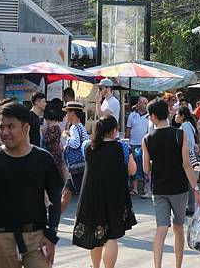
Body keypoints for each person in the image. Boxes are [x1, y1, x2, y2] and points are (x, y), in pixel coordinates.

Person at [0, 103, 63, 268]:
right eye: (1, 127)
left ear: (26, 127)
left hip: (37, 237)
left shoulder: (43, 159)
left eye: (11, 126)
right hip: (0, 238)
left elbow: (56, 197)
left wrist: (51, 235)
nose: (5, 132)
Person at [142, 98, 200, 268]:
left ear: (153, 116)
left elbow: (146, 169)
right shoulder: (179, 134)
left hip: (159, 189)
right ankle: (178, 266)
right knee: (178, 228)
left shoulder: (147, 139)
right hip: (179, 189)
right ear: (166, 113)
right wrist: (196, 189)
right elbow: (186, 164)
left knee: (161, 230)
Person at [73, 116, 137, 268]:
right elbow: (132, 170)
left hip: (92, 196)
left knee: (96, 233)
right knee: (111, 237)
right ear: (114, 130)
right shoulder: (121, 147)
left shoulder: (88, 146)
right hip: (115, 196)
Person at [61, 101, 89, 215]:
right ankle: (54, 220)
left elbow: (76, 143)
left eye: (67, 112)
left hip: (76, 167)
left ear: (73, 113)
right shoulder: (81, 127)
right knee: (66, 192)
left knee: (82, 197)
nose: (66, 115)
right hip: (82, 165)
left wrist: (67, 137)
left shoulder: (74, 128)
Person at [175, 106, 199, 216]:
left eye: (177, 114)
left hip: (187, 156)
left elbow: (188, 142)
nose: (175, 116)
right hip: (189, 156)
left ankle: (189, 205)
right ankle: (190, 205)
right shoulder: (187, 125)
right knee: (189, 182)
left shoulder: (185, 126)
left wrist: (186, 156)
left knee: (187, 182)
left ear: (182, 116)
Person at [125, 96, 151, 198]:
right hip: (133, 144)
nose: (145, 105)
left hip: (144, 144)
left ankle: (145, 188)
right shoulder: (132, 115)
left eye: (146, 103)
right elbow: (128, 129)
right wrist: (127, 142)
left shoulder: (149, 116)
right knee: (134, 165)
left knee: (143, 165)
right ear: (139, 104)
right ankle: (135, 188)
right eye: (143, 103)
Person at [42, 107, 65, 180]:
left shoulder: (55, 127)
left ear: (48, 119)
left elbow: (47, 140)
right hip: (53, 151)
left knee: (55, 169)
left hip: (54, 151)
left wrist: (43, 132)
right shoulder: (55, 127)